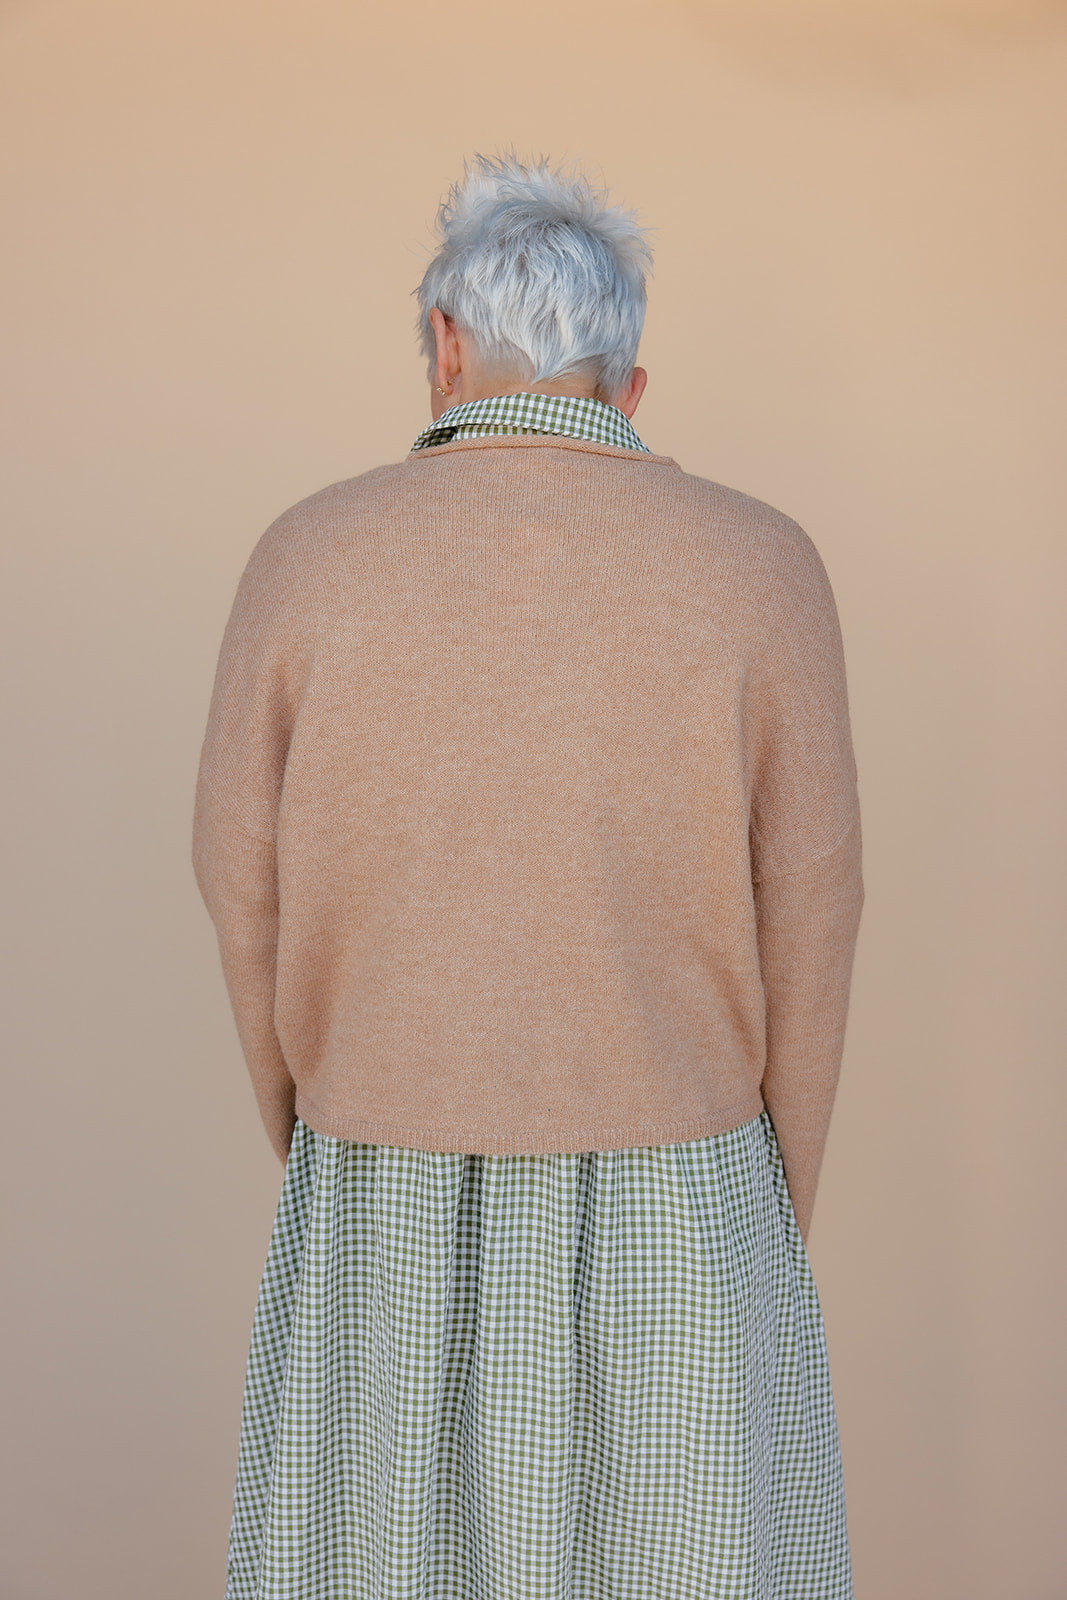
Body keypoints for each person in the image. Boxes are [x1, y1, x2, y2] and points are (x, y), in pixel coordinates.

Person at [193, 148, 864, 1600]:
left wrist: (328, 1120)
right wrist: (761, 1204)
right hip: (682, 1170)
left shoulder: (306, 557)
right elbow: (813, 910)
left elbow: (238, 885)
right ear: (628, 381)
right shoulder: (763, 564)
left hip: (382, 1167)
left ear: (446, 347)